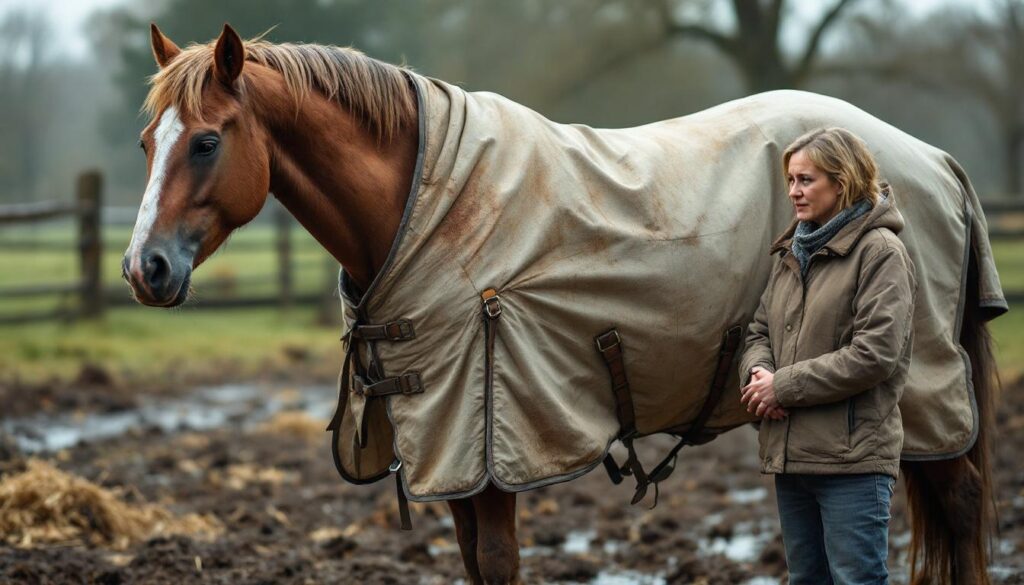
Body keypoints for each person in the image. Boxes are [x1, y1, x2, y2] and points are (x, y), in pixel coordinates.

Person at [738, 127, 917, 584]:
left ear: (842, 182)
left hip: (852, 463)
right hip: (791, 458)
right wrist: (759, 372)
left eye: (806, 180)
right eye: (791, 180)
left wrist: (782, 387)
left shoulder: (881, 253)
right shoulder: (792, 252)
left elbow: (874, 355)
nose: (793, 192)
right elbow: (760, 330)